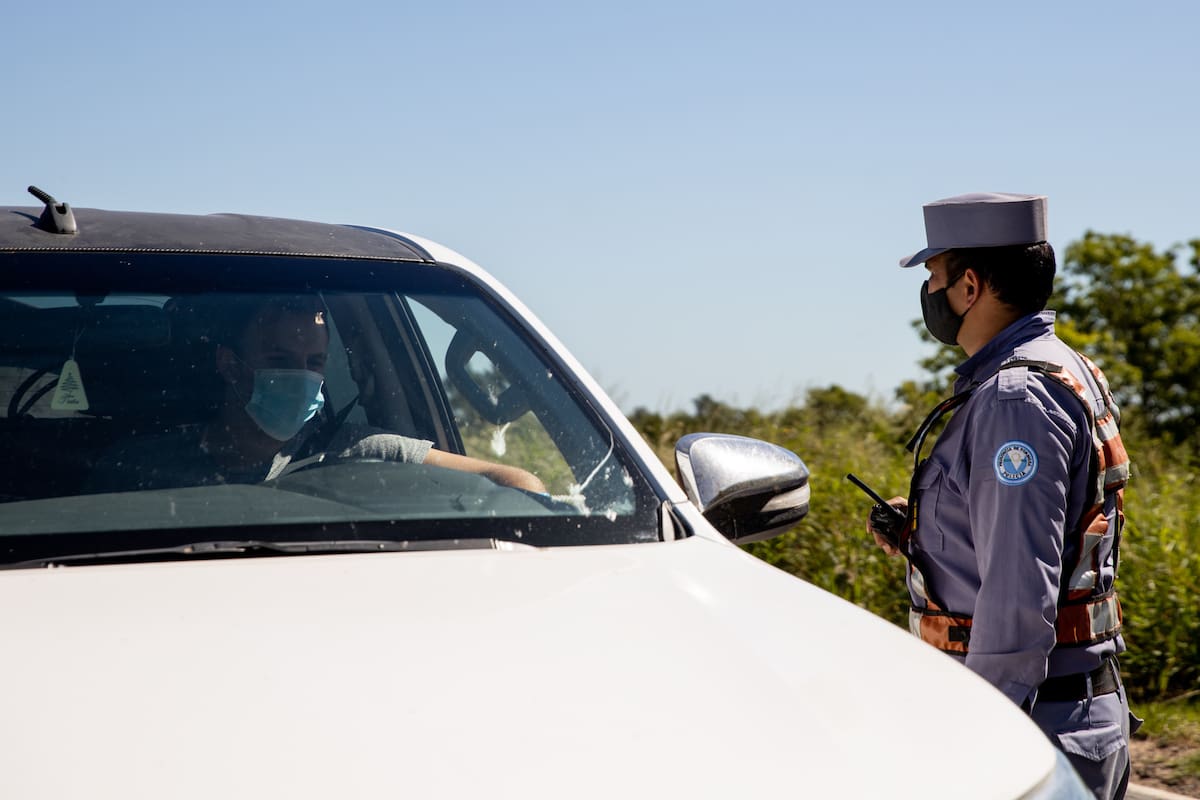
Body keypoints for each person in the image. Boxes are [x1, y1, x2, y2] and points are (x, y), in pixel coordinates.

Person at [870, 193, 1139, 800]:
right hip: (1065, 710)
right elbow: (1049, 523)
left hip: (1030, 722)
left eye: (935, 277)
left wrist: (983, 732)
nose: (930, 294)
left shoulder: (1015, 399)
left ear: (970, 286)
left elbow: (1019, 592)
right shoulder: (1065, 367)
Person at [88, 295, 546, 494]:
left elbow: (514, 482)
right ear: (230, 365)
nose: (300, 378)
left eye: (313, 364)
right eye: (280, 359)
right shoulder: (143, 466)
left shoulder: (357, 452)